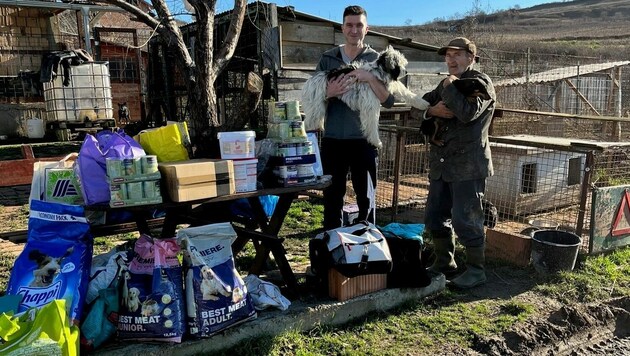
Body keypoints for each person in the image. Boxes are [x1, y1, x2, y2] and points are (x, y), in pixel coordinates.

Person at [420, 37, 496, 289]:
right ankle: (445, 262)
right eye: (447, 55)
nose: (451, 60)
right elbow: (417, 106)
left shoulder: (481, 84)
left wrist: (449, 86)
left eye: (457, 54)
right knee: (434, 216)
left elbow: (467, 113)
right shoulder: (445, 84)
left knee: (466, 219)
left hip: (468, 165)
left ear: (471, 57)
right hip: (442, 164)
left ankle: (476, 270)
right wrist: (431, 111)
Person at [315, 5, 395, 230]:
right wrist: (328, 93)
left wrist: (369, 77)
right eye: (349, 25)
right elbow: (312, 97)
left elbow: (388, 100)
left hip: (364, 141)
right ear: (342, 28)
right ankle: (333, 252)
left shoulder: (377, 59)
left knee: (366, 200)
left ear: (366, 29)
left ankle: (366, 252)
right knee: (332, 199)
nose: (354, 29)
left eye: (359, 25)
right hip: (333, 140)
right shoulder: (327, 59)